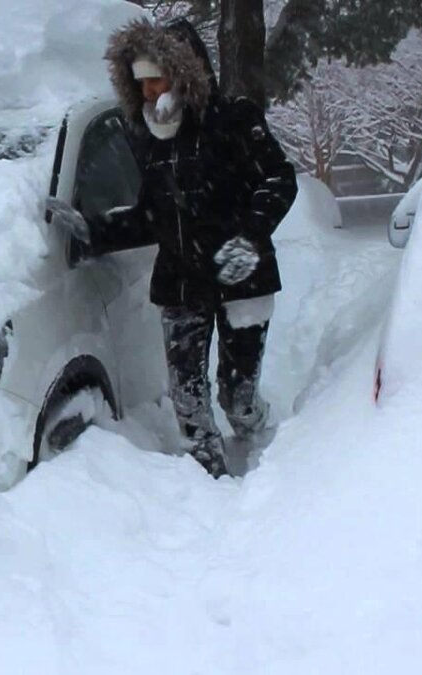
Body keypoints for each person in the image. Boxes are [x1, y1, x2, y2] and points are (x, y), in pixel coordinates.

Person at [47, 17, 297, 477]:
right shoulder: (149, 138)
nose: (147, 93)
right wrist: (94, 232)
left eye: (155, 80)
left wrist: (251, 237)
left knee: (236, 396)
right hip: (182, 282)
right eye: (139, 84)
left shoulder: (235, 119)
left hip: (243, 276)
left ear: (184, 74)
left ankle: (265, 446)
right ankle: (209, 486)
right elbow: (151, 216)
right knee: (188, 400)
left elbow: (279, 181)